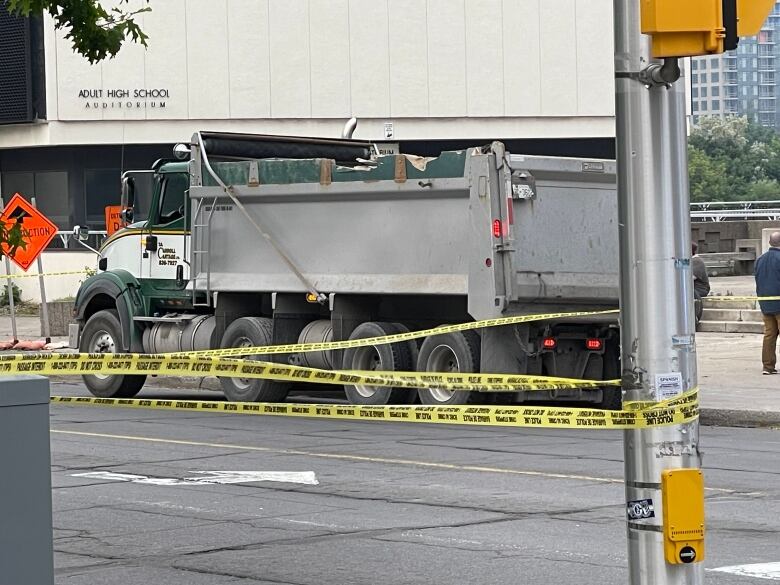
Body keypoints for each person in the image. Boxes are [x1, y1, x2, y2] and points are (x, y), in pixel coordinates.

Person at [754, 231, 780, 374]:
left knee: (769, 335)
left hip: (765, 303)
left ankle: (768, 366)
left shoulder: (760, 259)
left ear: (770, 243)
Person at [691, 242, 710, 326]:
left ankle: (696, 316)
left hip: (701, 289)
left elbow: (690, 278)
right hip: (694, 287)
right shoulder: (691, 260)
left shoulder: (696, 261)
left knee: (690, 291)